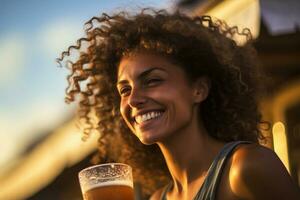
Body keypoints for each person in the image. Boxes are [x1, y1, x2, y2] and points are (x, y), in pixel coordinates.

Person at [58, 9, 300, 200]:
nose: (133, 99)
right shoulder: (157, 198)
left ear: (199, 89)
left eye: (152, 80)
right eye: (124, 90)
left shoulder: (245, 168)